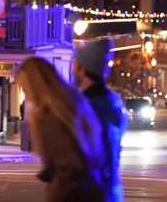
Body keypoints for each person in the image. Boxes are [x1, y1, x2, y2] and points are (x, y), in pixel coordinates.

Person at [17, 57, 105, 202]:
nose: (27, 95)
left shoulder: (53, 116)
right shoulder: (72, 104)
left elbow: (69, 167)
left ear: (36, 85)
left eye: (26, 89)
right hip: (90, 190)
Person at [73, 39, 127, 202]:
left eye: (75, 63)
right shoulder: (112, 102)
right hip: (109, 191)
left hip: (91, 192)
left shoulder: (88, 105)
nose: (72, 68)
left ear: (83, 69)